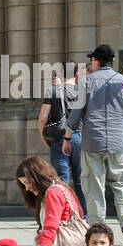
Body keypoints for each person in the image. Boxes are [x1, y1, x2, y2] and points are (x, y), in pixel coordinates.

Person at [62, 43, 123, 241]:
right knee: (122, 184)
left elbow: (75, 115)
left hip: (92, 141)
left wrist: (67, 137)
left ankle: (98, 227)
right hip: (118, 142)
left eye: (92, 61)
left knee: (94, 185)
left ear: (96, 61)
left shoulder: (85, 83)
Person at [38, 69, 86, 212]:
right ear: (77, 74)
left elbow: (43, 118)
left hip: (59, 137)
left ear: (61, 75)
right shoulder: (82, 92)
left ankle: (63, 214)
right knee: (80, 180)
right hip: (79, 137)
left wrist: (43, 136)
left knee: (61, 179)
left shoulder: (53, 91)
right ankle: (84, 216)